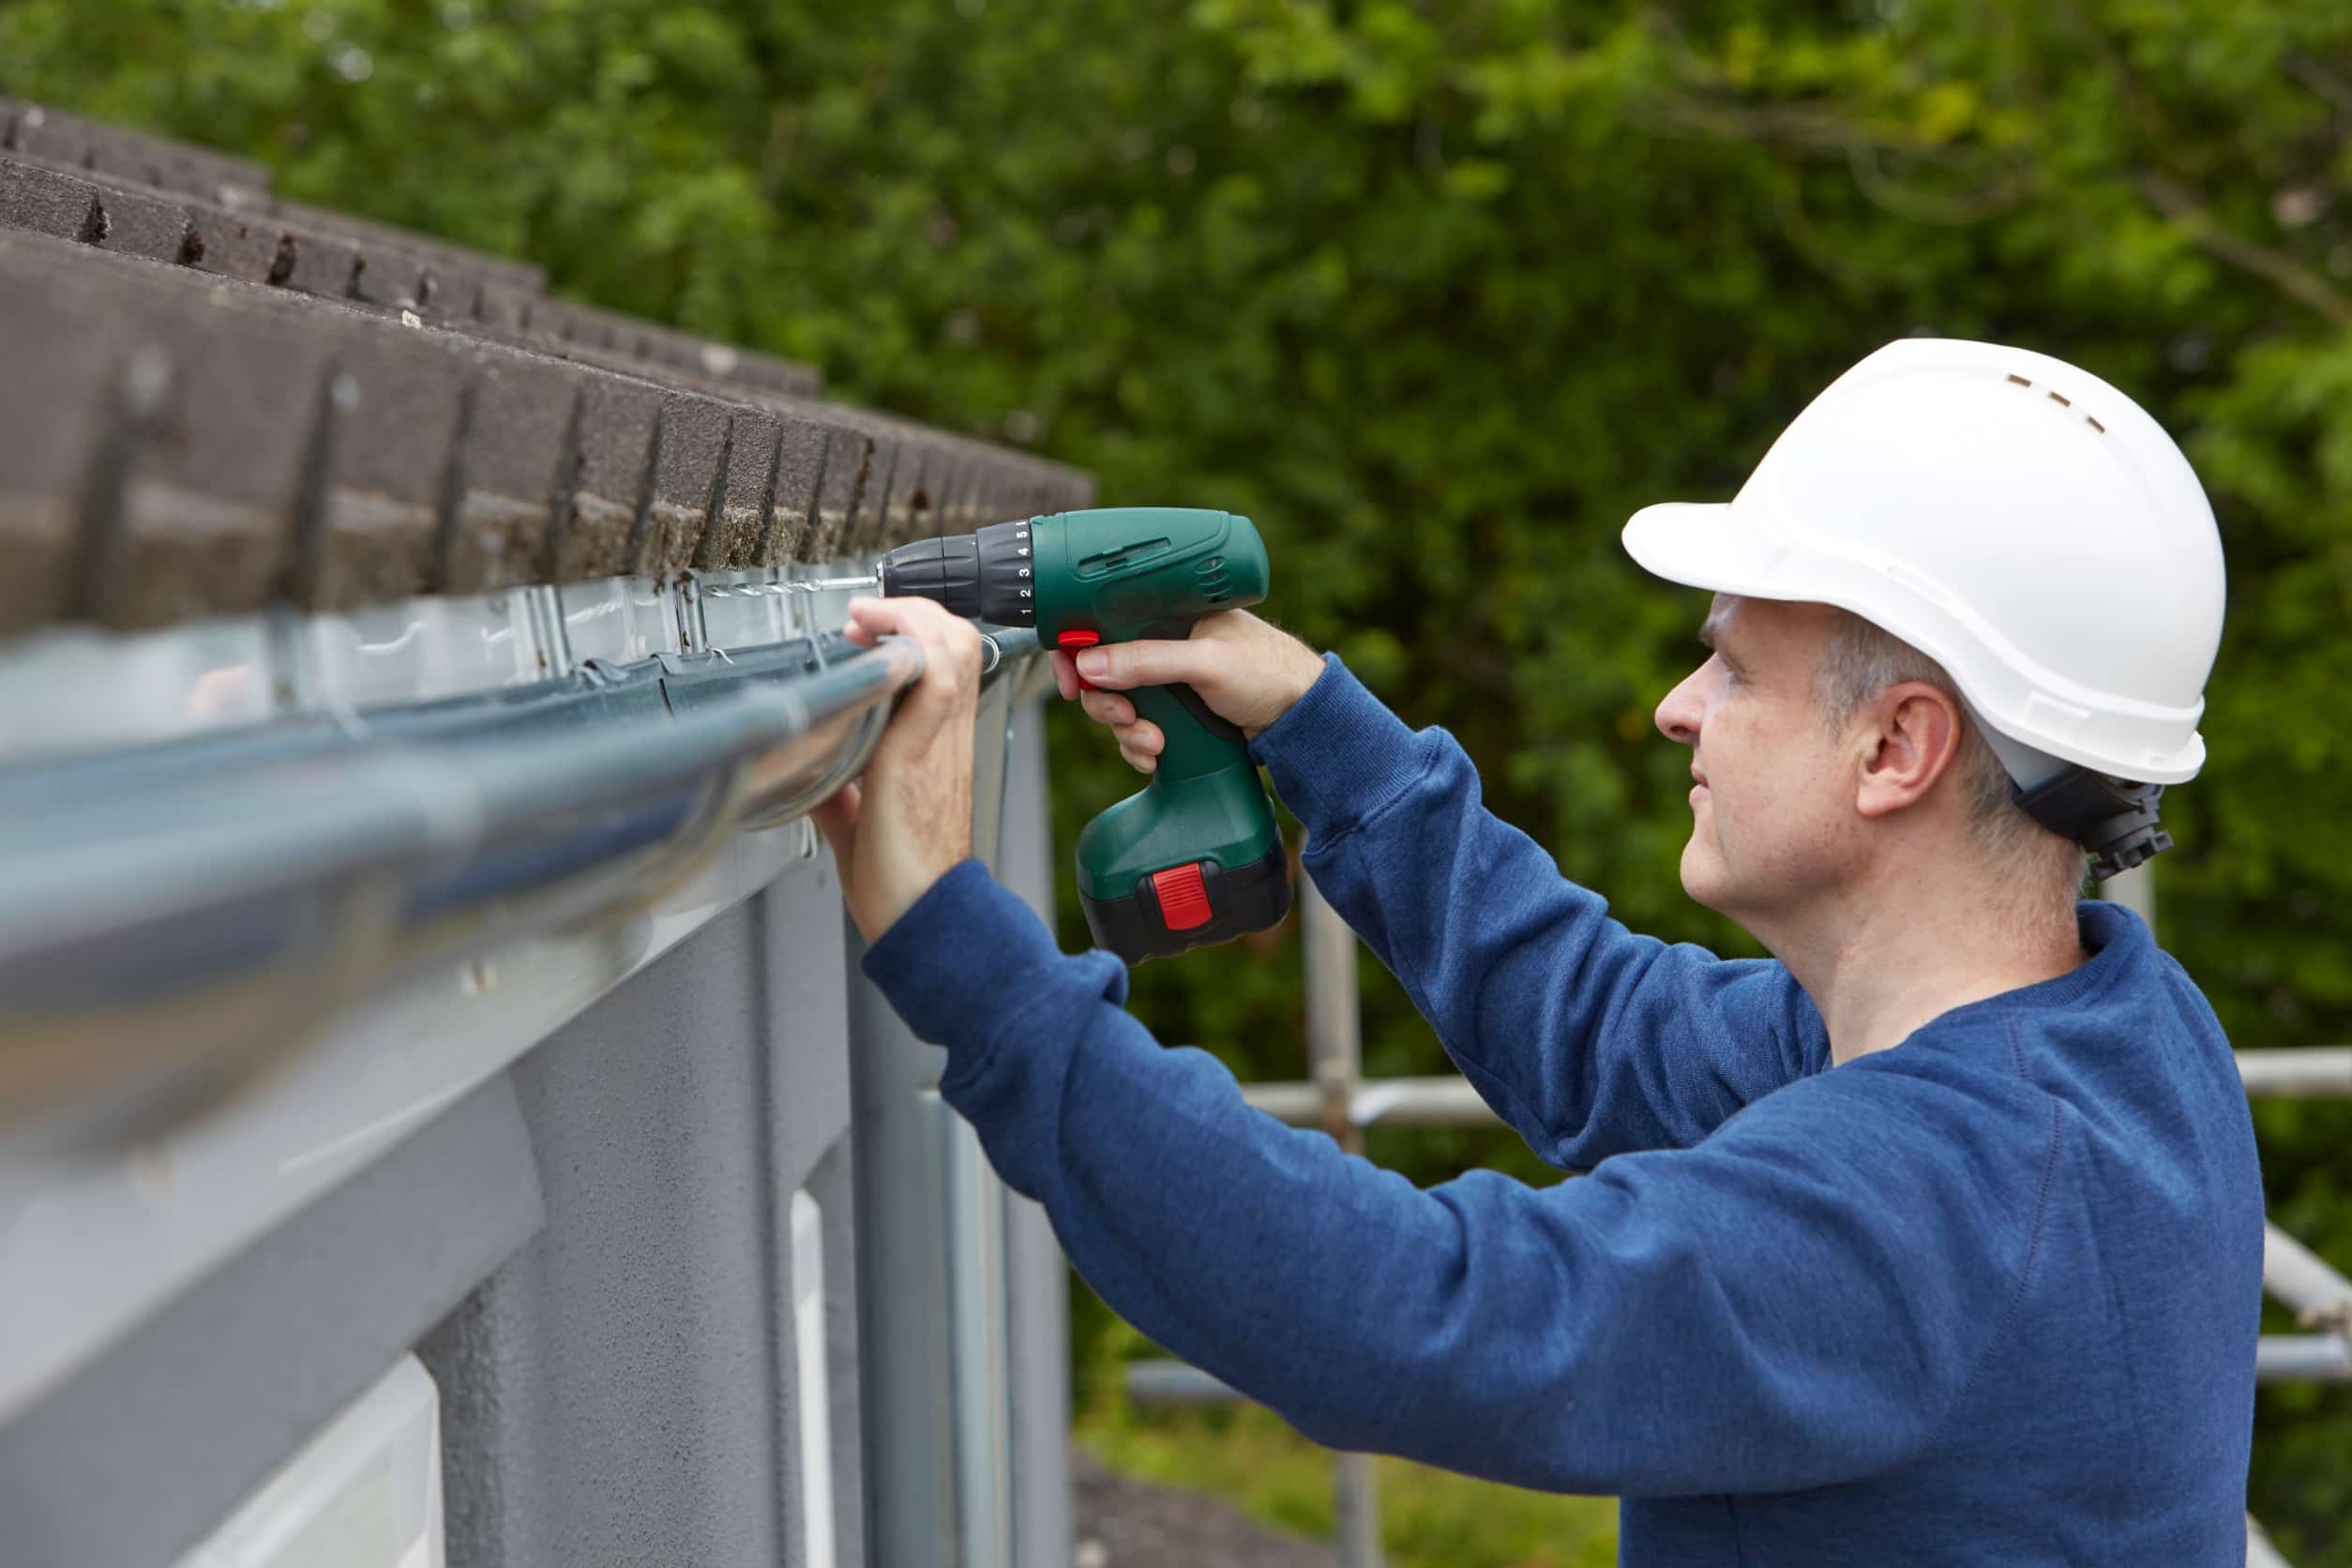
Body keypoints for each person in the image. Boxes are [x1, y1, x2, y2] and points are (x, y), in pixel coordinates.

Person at [814, 339, 2262, 1565]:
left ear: (1899, 747)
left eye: (1734, 665)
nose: (1676, 709)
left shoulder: (1930, 1206)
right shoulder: (2110, 1040)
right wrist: (1322, 728)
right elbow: (1605, 1031)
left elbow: (1405, 1314)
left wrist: (954, 931)